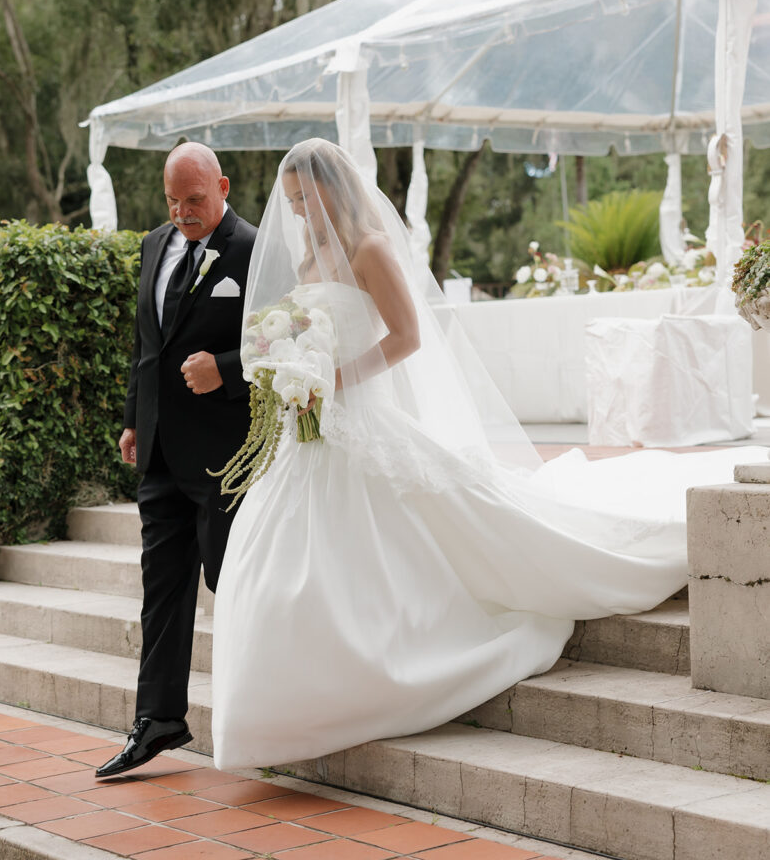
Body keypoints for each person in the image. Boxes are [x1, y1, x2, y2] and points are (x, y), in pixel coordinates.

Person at [209, 137, 763, 769]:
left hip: (361, 416)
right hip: (309, 433)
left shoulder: (371, 250)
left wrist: (335, 378)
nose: (299, 213)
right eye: (292, 202)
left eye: (305, 198)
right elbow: (303, 334)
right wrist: (291, 369)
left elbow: (408, 337)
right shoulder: (309, 260)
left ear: (333, 187)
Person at [96, 142, 257, 779]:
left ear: (222, 184)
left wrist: (225, 369)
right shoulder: (154, 245)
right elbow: (148, 343)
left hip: (225, 457)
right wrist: (136, 418)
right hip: (160, 450)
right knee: (161, 587)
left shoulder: (255, 249)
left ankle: (267, 710)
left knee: (231, 581)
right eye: (173, 202)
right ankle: (158, 718)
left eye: (195, 200)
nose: (184, 214)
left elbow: (288, 343)